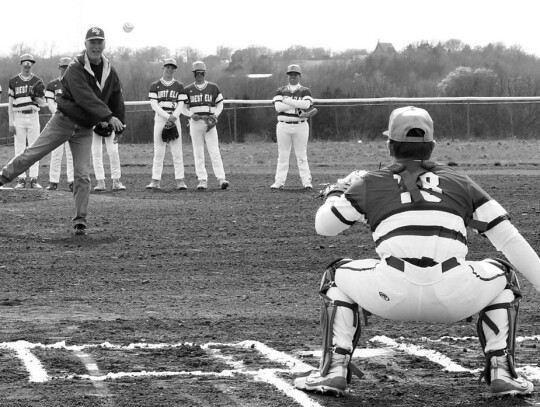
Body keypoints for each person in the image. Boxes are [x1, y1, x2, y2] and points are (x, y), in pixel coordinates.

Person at [294, 106, 540, 397]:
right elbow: (509, 240)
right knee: (504, 275)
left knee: (336, 274)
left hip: (389, 293)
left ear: (390, 146)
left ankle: (333, 368)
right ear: (432, 146)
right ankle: (504, 371)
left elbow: (324, 226)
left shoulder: (370, 182)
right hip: (455, 295)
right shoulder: (460, 182)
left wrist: (337, 190)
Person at [0, 27, 126, 235]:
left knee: (82, 174)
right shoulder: (75, 68)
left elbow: (116, 97)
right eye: (92, 42)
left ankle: (80, 220)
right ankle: (3, 177)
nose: (96, 46)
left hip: (84, 128)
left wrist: (119, 122)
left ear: (104, 45)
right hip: (63, 122)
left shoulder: (109, 70)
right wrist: (107, 117)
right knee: (31, 154)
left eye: (99, 42)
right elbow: (85, 97)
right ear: (85, 45)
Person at [183, 61, 229, 190]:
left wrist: (216, 114)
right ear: (194, 74)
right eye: (197, 73)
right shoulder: (188, 89)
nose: (199, 75)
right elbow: (183, 107)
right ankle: (202, 179)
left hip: (210, 122)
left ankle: (221, 178)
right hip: (196, 123)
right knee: (198, 152)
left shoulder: (213, 87)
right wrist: (191, 115)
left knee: (214, 151)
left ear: (205, 73)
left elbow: (220, 103)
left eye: (201, 73)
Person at [146, 58, 188, 190]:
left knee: (177, 151)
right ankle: (155, 180)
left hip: (175, 118)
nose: (169, 70)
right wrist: (167, 116)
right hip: (160, 118)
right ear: (163, 68)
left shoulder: (179, 86)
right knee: (159, 151)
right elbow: (154, 104)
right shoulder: (155, 85)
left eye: (172, 68)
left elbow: (181, 104)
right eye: (167, 67)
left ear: (174, 70)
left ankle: (180, 180)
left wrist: (174, 116)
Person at [271, 64, 313, 190]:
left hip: (300, 125)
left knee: (301, 155)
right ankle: (279, 182)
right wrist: (296, 104)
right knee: (283, 155)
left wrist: (287, 101)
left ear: (299, 76)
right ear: (287, 76)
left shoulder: (305, 90)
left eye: (295, 74)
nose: (293, 77)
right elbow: (278, 107)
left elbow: (306, 105)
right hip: (283, 125)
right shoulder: (280, 90)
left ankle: (306, 182)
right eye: (291, 74)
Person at [7, 54, 47, 189]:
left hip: (33, 116)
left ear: (32, 65)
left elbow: (43, 104)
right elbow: (10, 104)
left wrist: (37, 98)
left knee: (34, 148)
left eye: (29, 64)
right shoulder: (13, 81)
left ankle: (34, 178)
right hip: (19, 116)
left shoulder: (37, 80)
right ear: (21, 64)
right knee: (19, 149)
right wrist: (11, 123)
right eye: (25, 64)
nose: (27, 66)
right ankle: (21, 179)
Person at [44, 57, 74, 191]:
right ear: (59, 68)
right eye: (63, 67)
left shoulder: (76, 84)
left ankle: (72, 181)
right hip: (57, 121)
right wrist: (58, 113)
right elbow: (50, 103)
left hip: (71, 121)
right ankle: (53, 181)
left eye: (68, 67)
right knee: (56, 153)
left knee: (71, 153)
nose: (65, 69)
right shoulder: (52, 84)